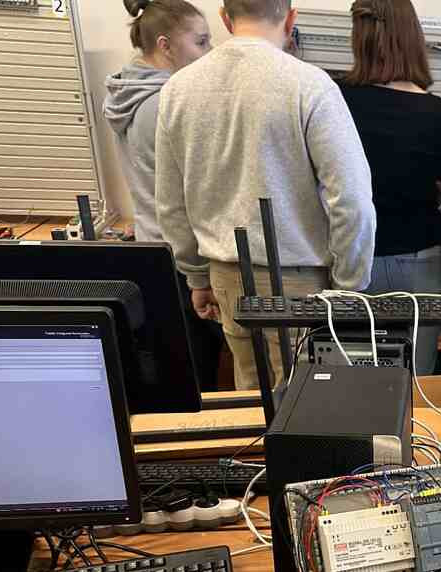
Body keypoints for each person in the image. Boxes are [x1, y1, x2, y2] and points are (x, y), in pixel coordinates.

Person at [155, 0, 376, 390]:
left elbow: (171, 203)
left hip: (227, 275)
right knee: (309, 403)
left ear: (225, 19)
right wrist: (349, 286)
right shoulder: (309, 85)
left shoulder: (178, 89)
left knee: (252, 402)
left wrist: (197, 276)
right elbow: (352, 198)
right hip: (302, 281)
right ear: (290, 19)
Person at [337, 0, 441, 375]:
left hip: (355, 256)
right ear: (413, 38)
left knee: (353, 380)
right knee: (416, 384)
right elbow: (439, 185)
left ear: (358, 36)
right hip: (420, 257)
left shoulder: (335, 98)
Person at [104, 0, 210, 244]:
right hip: (183, 248)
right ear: (165, 46)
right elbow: (193, 191)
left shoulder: (128, 94)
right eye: (201, 42)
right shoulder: (165, 103)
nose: (210, 51)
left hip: (152, 237)